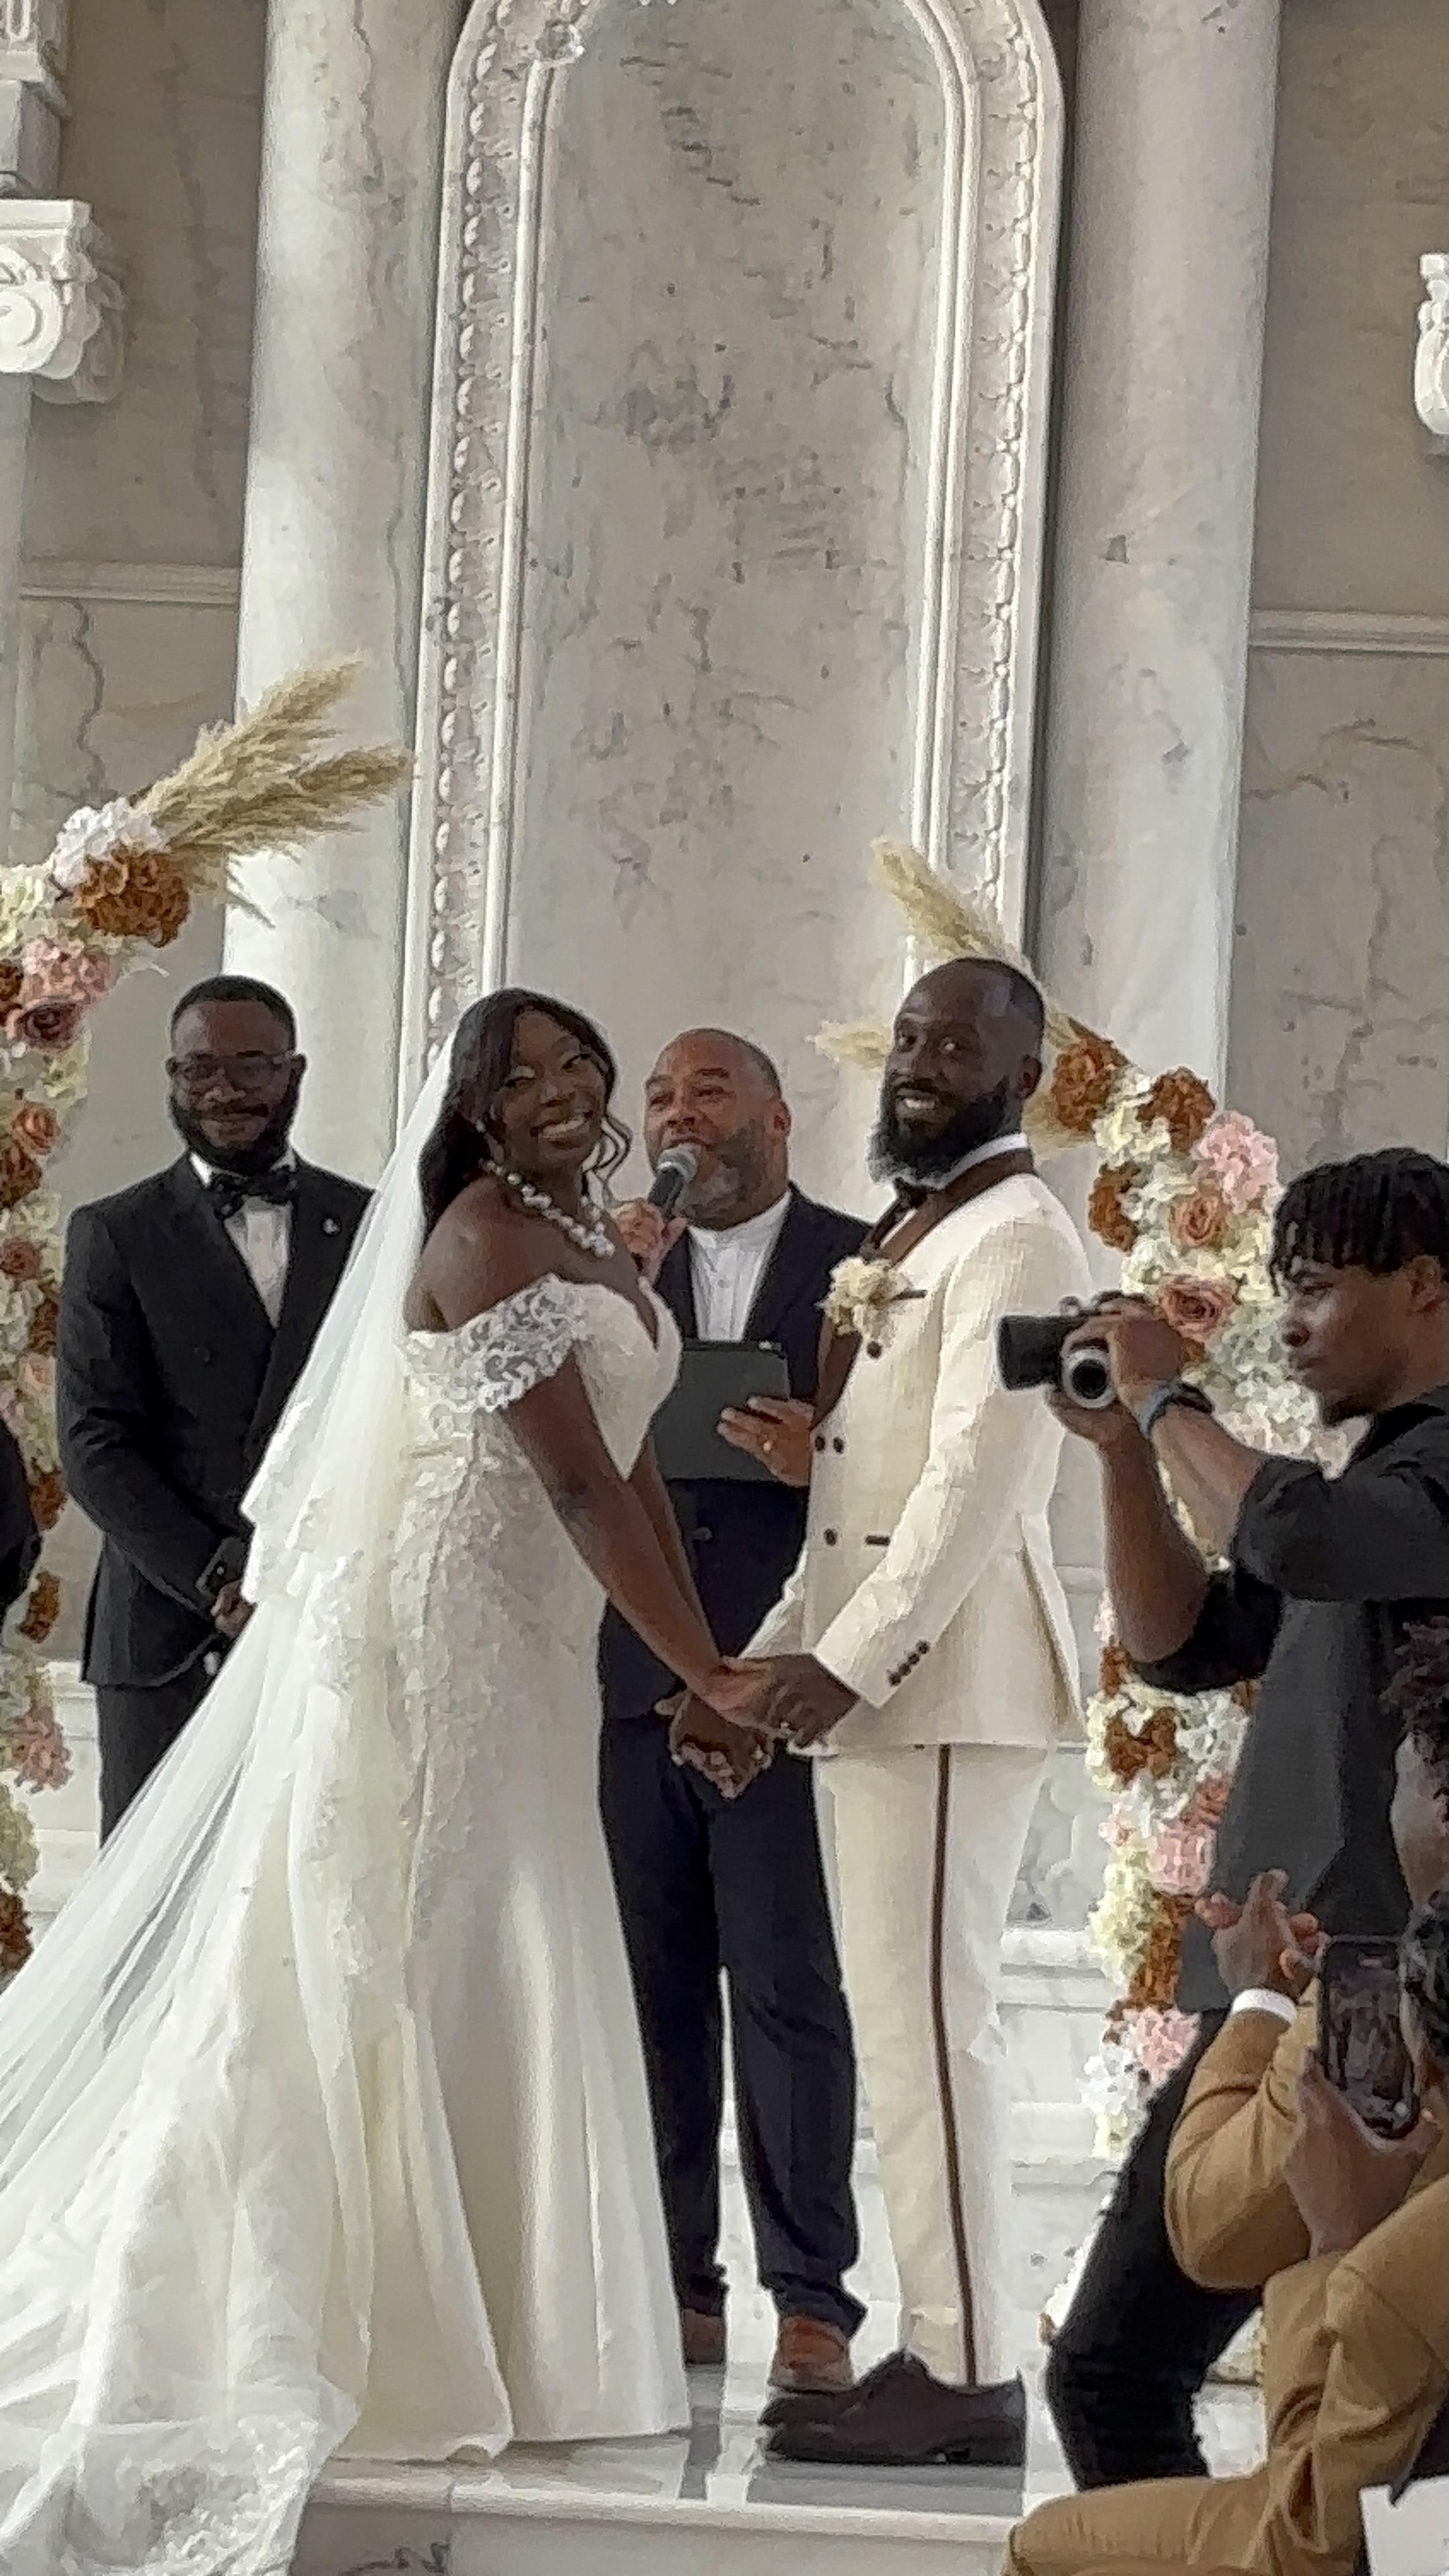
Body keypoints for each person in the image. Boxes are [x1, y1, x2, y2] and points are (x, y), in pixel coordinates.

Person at [0, 987, 762, 2576]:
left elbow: (633, 1464)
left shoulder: (601, 1238)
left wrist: (706, 1664)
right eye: (524, 1075)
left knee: (519, 1920)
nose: (561, 1090)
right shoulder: (480, 1236)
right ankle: (403, 2325)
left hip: (537, 1638)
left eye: (577, 1063)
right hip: (445, 1625)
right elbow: (572, 1479)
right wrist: (704, 1671)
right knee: (430, 1933)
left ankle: (535, 2327)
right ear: (474, 1108)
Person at [682, 957, 1091, 2467]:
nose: (921, 1062)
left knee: (934, 2032)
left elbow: (975, 1486)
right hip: (884, 1692)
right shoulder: (917, 1227)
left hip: (946, 1690)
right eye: (910, 1037)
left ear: (1021, 1074)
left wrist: (843, 1668)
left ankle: (969, 2369)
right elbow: (855, 1502)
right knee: (905, 2031)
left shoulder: (1020, 1237)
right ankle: (942, 2348)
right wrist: (759, 1672)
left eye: (958, 1045)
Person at [1045, 1147, 1449, 2491]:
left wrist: (1167, 1396)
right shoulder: (1376, 1479)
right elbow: (1182, 1643)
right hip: (1304, 1987)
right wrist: (1123, 1451)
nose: (1290, 1322)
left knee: (1147, 2375)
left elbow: (1296, 1539)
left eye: (1319, 1287)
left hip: (1390, 1994)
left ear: (1427, 1286)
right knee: (1356, 2425)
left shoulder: (1417, 1487)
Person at [599, 1028, 865, 2396]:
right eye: (659, 1094)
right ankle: (675, 2284)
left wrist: (829, 1452)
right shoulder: (608, 1265)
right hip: (629, 1683)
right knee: (648, 1997)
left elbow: (927, 1471)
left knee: (787, 1989)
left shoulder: (863, 1263)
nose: (676, 1112)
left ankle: (813, 2297)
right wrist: (611, 1291)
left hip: (784, 1684)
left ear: (775, 1113)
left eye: (707, 1088)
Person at [1008, 1884, 1449, 2576]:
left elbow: (1308, 2545)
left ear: (1419, 2061)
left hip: (1414, 2540)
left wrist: (1262, 2003)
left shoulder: (1401, 2268)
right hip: (1419, 2521)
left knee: (1047, 2544)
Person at [56, 975, 368, 1835]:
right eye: (199, 1069)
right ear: (173, 1076)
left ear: (294, 1071)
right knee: (156, 1896)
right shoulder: (115, 1232)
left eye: (251, 1066)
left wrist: (304, 1573)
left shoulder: (369, 1225)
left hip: (323, 1619)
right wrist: (222, 1575)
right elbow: (94, 1443)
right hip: (166, 1635)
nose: (223, 1091)